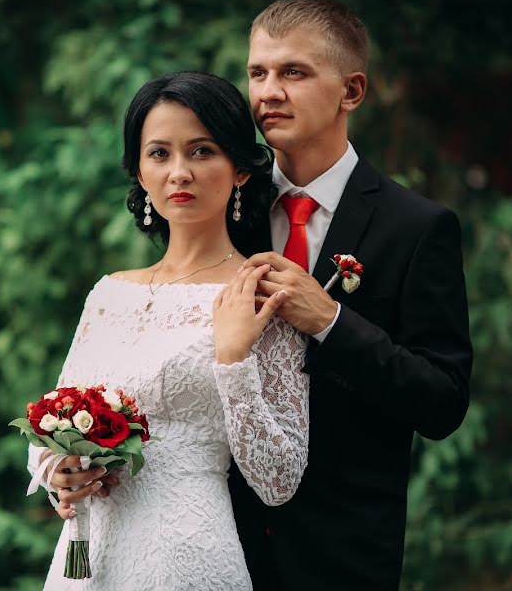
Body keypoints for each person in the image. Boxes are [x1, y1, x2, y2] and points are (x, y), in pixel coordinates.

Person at [26, 71, 310, 590]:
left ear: (239, 169)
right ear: (138, 170)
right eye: (159, 153)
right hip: (87, 561)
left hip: (187, 554)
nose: (179, 172)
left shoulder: (261, 295)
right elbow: (51, 422)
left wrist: (234, 361)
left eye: (201, 151)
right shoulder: (108, 294)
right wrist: (58, 472)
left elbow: (279, 480)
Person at [228, 0, 474, 590]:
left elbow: (442, 402)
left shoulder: (416, 228)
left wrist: (332, 322)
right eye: (258, 72)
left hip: (343, 552)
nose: (268, 91)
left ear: (352, 90)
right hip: (219, 539)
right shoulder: (228, 208)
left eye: (293, 72)